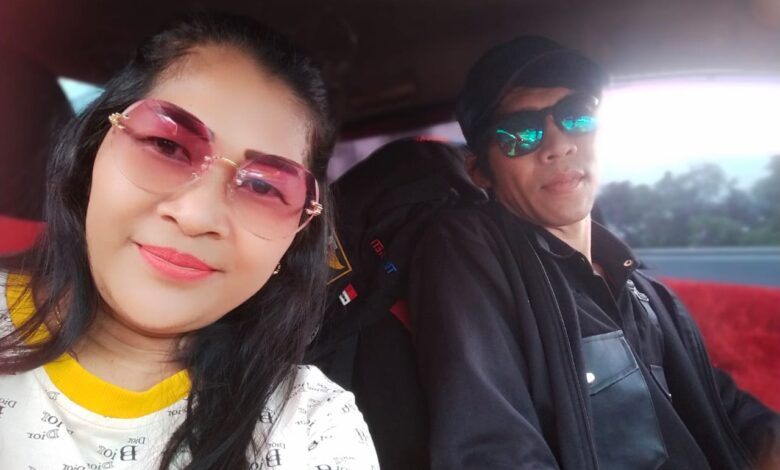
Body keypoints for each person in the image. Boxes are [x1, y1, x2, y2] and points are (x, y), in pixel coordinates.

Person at [0, 13, 379, 469]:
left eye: (264, 187)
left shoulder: (314, 426)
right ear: (92, 154)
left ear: (295, 237)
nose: (197, 216)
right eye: (166, 146)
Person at [408, 36, 779, 469]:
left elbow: (731, 414)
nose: (558, 144)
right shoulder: (470, 252)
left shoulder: (646, 291)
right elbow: (492, 453)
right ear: (480, 171)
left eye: (576, 117)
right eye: (521, 133)